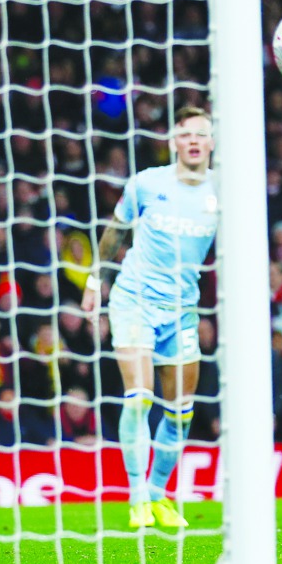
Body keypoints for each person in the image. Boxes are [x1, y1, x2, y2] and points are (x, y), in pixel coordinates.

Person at [81, 106, 217, 529]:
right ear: (172, 142)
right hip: (134, 299)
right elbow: (116, 231)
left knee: (181, 412)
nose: (192, 140)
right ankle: (138, 494)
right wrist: (92, 280)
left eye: (200, 134)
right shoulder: (146, 184)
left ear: (211, 143)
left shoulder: (225, 192)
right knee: (139, 396)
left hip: (182, 310)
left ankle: (159, 497)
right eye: (184, 134)